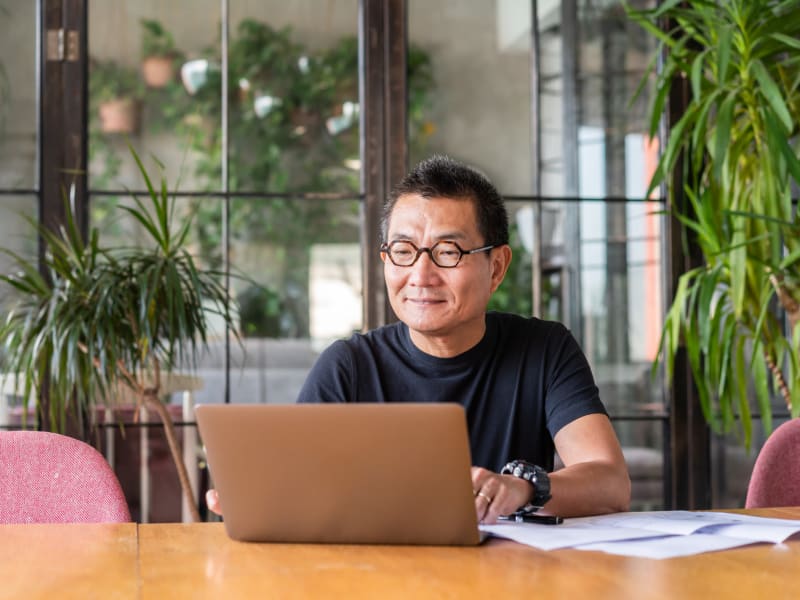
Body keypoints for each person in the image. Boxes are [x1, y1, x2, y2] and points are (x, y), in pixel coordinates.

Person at [207, 155, 630, 523]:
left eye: (448, 252)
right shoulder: (349, 366)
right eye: (404, 251)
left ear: (497, 267)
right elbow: (299, 492)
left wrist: (523, 488)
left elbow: (610, 484)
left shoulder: (544, 349)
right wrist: (259, 500)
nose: (421, 276)